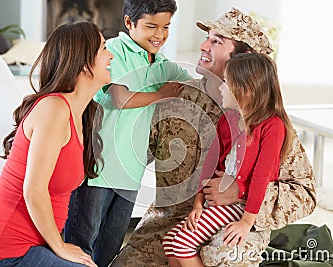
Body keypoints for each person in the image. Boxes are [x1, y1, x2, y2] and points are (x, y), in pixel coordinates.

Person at [111, 7, 316, 267]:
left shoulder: (267, 121)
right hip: (170, 220)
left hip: (233, 225)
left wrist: (240, 191)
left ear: (245, 59)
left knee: (224, 258)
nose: (204, 45)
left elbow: (305, 193)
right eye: (208, 37)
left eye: (217, 41)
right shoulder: (175, 96)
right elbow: (132, 151)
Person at [0, 21, 113, 267]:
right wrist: (60, 247)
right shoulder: (54, 109)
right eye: (103, 48)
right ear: (83, 63)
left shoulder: (81, 114)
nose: (110, 55)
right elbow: (33, 191)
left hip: (30, 245)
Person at [64, 0, 192, 266]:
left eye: (166, 26)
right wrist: (162, 95)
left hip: (130, 171)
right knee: (81, 242)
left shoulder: (160, 62)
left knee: (110, 245)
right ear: (129, 23)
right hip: (98, 167)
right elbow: (120, 98)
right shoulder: (113, 51)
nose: (159, 34)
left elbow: (192, 84)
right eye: (151, 26)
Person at [162, 52, 294, 266]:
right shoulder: (227, 119)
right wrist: (198, 204)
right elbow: (209, 165)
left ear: (246, 90)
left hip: (243, 206)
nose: (221, 88)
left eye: (226, 83)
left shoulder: (272, 126)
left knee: (182, 243)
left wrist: (246, 222)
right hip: (216, 202)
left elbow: (261, 178)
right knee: (170, 242)